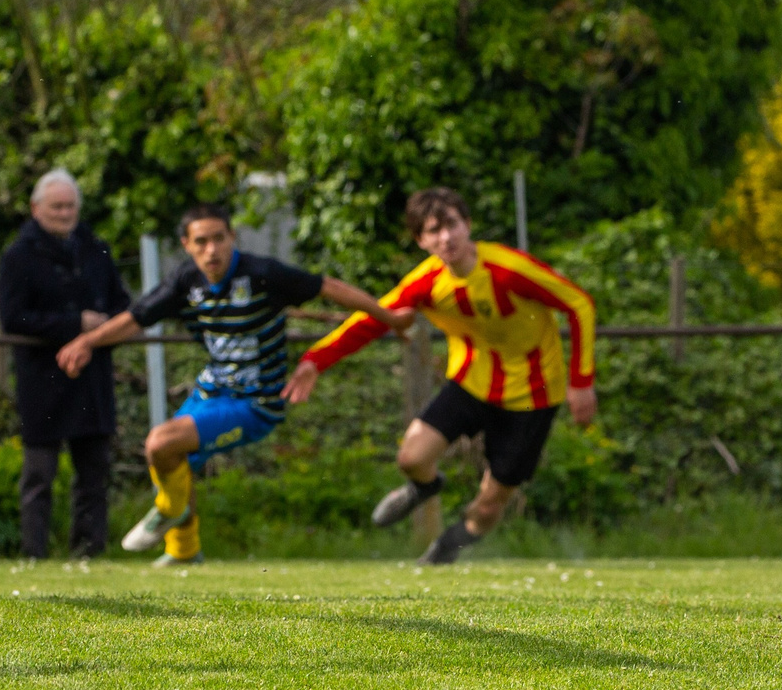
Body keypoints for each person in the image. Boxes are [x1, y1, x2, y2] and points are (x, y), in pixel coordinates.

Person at [56, 202, 405, 565]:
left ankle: (167, 510)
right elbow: (134, 319)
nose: (212, 250)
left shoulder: (262, 273)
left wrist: (389, 318)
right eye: (201, 241)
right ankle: (184, 551)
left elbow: (328, 287)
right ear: (187, 245)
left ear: (232, 237)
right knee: (174, 458)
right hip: (211, 391)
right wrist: (87, 341)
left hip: (257, 403)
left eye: (219, 239)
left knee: (160, 443)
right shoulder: (184, 282)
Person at [285, 186, 597, 566]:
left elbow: (579, 303)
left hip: (533, 397)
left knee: (489, 505)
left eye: (451, 224)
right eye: (433, 230)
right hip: (470, 383)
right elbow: (372, 320)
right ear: (421, 240)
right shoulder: (426, 283)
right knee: (410, 457)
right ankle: (425, 486)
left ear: (467, 224)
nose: (445, 237)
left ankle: (447, 549)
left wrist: (581, 382)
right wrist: (315, 360)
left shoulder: (508, 270)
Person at [0, 169, 128, 559]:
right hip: (43, 380)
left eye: (70, 205)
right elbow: (13, 317)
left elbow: (122, 304)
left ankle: (88, 551)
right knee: (39, 474)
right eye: (57, 206)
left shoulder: (96, 249)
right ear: (37, 208)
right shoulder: (18, 257)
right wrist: (75, 324)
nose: (65, 212)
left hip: (92, 378)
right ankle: (33, 554)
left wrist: (102, 328)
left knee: (94, 471)